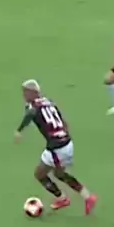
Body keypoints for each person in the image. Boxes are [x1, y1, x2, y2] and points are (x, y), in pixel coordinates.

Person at [14, 79, 97, 215]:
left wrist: (19, 130)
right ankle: (87, 197)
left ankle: (63, 199)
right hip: (67, 143)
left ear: (33, 92)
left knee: (40, 174)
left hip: (56, 149)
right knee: (59, 174)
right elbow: (63, 121)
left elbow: (31, 114)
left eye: (25, 92)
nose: (23, 95)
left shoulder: (32, 107)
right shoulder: (49, 102)